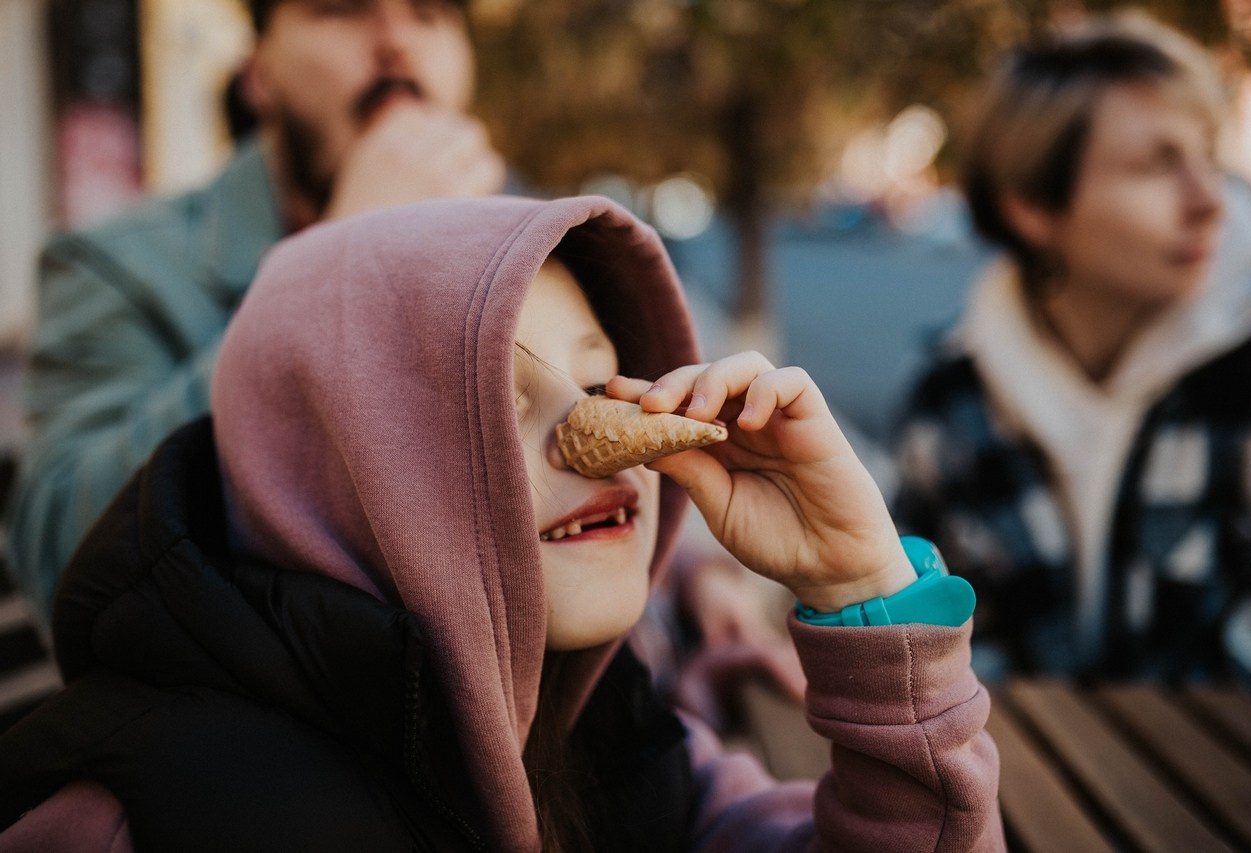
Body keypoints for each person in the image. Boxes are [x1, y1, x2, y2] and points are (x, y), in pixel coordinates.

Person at [0, 195, 1001, 850]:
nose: (593, 437)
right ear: (340, 471)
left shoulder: (613, 741)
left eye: (599, 369)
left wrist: (857, 582)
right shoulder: (143, 822)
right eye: (494, 404)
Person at [6, 0, 505, 617]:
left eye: (430, 14)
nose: (397, 42)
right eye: (343, 10)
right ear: (258, 74)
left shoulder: (529, 240)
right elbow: (59, 556)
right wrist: (336, 260)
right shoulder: (114, 266)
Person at [893, 11, 1251, 684]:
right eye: (1156, 164)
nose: (1209, 200)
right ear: (1032, 206)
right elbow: (926, 645)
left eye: (1207, 157)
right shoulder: (951, 406)